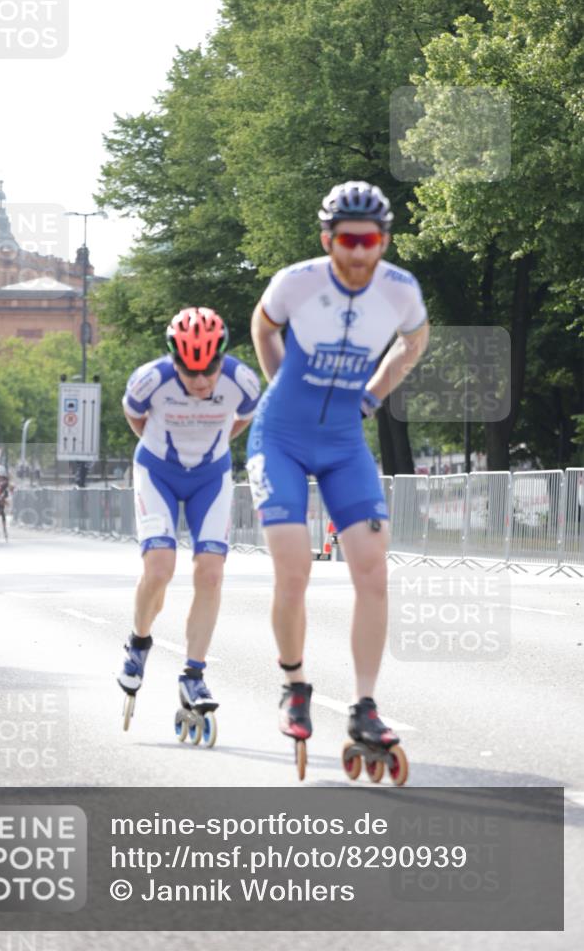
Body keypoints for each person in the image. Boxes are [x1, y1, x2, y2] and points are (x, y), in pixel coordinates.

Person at [247, 180, 429, 754]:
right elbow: (262, 325)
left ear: (384, 240)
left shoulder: (401, 291)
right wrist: (281, 385)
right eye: (347, 240)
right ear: (328, 239)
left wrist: (373, 396)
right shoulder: (297, 282)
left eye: (370, 240)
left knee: (373, 571)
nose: (357, 253)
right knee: (295, 568)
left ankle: (365, 707)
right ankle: (295, 683)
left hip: (345, 441)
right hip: (280, 437)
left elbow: (415, 341)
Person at [118, 307, 261, 724]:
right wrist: (165, 446)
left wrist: (208, 444)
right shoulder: (150, 380)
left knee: (211, 573)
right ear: (172, 359)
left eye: (209, 370)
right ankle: (139, 643)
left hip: (210, 477)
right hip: (157, 472)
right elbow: (135, 417)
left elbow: (241, 422)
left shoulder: (244, 382)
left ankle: (193, 674)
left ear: (222, 357)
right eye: (188, 370)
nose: (200, 381)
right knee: (160, 568)